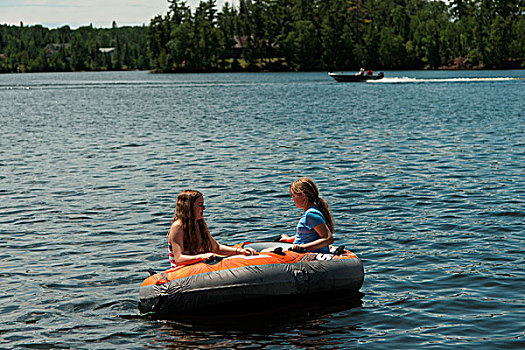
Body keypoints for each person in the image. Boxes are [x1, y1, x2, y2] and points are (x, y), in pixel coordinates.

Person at [167, 190, 255, 268]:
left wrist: (240, 251)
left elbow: (216, 248)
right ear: (189, 207)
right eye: (200, 205)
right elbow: (179, 259)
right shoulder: (178, 226)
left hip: (201, 266)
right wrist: (203, 256)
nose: (204, 208)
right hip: (184, 273)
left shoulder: (199, 223)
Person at [280, 178, 335, 253]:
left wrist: (303, 247)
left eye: (293, 196)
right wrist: (289, 239)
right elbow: (309, 235)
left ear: (303, 195)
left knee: (265, 251)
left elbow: (328, 239)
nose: (292, 200)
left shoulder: (311, 214)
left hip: (308, 254)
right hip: (302, 252)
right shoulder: (312, 212)